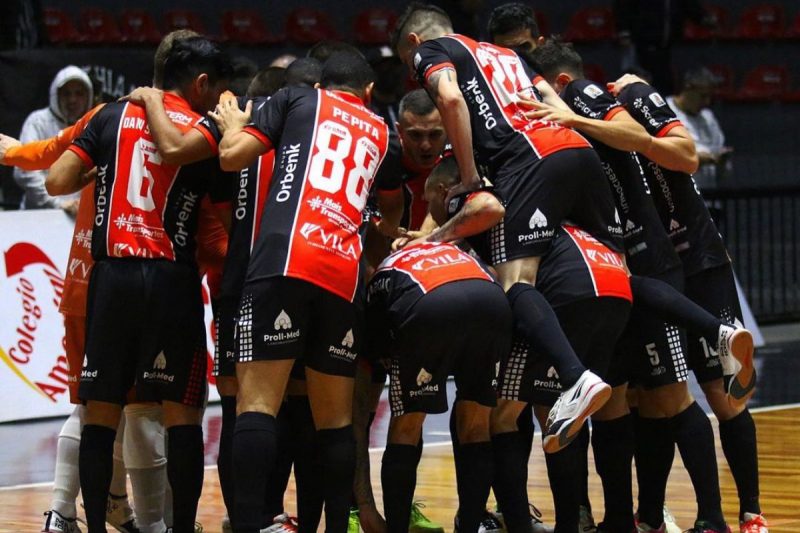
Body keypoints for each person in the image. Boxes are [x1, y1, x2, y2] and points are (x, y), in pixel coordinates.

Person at [528, 39, 752, 533]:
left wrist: (573, 117)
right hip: (617, 261)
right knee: (624, 398)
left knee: (671, 396)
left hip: (648, 255)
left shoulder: (588, 95)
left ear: (557, 83)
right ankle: (636, 516)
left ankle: (715, 517)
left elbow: (674, 151)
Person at [391, 4, 622, 462]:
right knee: (607, 265)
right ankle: (706, 330)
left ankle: (575, 378)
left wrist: (473, 176)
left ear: (414, 44)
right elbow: (555, 105)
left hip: (529, 160)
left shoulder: (431, 50)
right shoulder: (505, 54)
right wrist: (566, 127)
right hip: (577, 148)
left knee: (516, 280)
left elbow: (453, 100)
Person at [45, 35, 232, 533]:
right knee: (182, 415)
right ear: (201, 83)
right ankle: (182, 528)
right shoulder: (206, 128)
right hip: (171, 280)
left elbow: (57, 181)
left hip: (112, 278)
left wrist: (106, 167)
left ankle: (91, 524)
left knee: (100, 413)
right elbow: (228, 222)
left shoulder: (108, 116)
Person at [206, 52, 390, 533]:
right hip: (343, 275)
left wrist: (233, 123)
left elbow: (231, 157)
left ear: (319, 85)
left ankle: (248, 525)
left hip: (285, 260)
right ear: (367, 92)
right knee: (331, 421)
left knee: (257, 406)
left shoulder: (294, 99)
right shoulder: (379, 128)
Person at [610, 74, 765, 533]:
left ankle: (751, 512)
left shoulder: (631, 98)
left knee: (723, 395)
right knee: (656, 396)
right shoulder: (591, 128)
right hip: (654, 271)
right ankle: (653, 515)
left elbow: (687, 156)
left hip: (698, 262)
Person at [368, 240, 511, 533]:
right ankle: (470, 526)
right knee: (476, 426)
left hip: (431, 304)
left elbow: (377, 346)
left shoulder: (386, 266)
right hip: (492, 301)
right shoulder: (455, 251)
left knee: (407, 425)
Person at [13, 65, 93, 212]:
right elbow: (23, 169)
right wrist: (57, 204)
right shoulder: (37, 121)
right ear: (56, 96)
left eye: (79, 93)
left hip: (80, 215)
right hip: (38, 215)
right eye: (66, 94)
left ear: (88, 96)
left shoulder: (94, 125)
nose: (73, 100)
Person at [373, 88, 447, 239]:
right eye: (415, 135)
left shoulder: (459, 156)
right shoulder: (380, 161)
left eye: (434, 134)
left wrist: (426, 236)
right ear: (400, 131)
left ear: (448, 127)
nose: (425, 145)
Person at [667, 67, 732, 192]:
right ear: (688, 88)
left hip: (710, 200)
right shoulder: (664, 111)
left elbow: (723, 171)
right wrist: (696, 159)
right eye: (702, 96)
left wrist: (722, 162)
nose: (707, 102)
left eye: (710, 97)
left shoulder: (708, 118)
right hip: (679, 201)